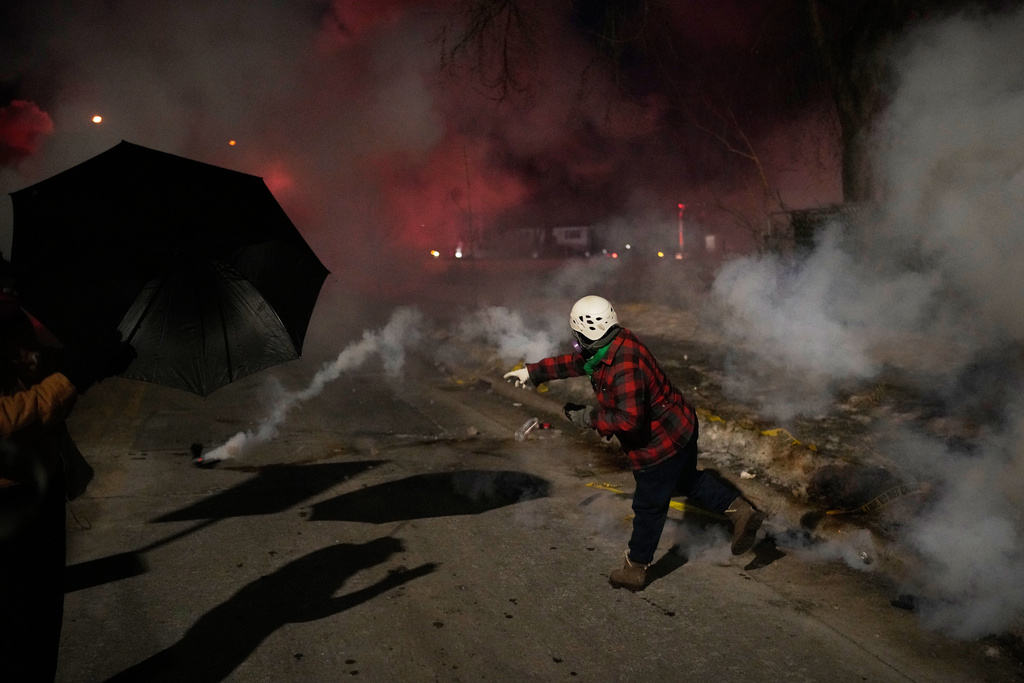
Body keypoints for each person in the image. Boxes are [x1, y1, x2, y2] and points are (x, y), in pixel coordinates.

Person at [503, 295, 764, 591]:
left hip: (658, 444)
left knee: (649, 507)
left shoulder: (623, 366)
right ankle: (740, 510)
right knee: (687, 479)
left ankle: (635, 568)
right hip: (680, 426)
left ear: (583, 333)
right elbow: (577, 363)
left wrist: (588, 417)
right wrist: (534, 372)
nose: (575, 344)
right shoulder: (613, 344)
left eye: (576, 338)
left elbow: (628, 421)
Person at [0, 293, 135, 681]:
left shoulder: (11, 315)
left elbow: (29, 368)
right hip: (7, 501)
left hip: (41, 487)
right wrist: (70, 378)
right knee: (15, 631)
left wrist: (88, 364)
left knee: (40, 622)